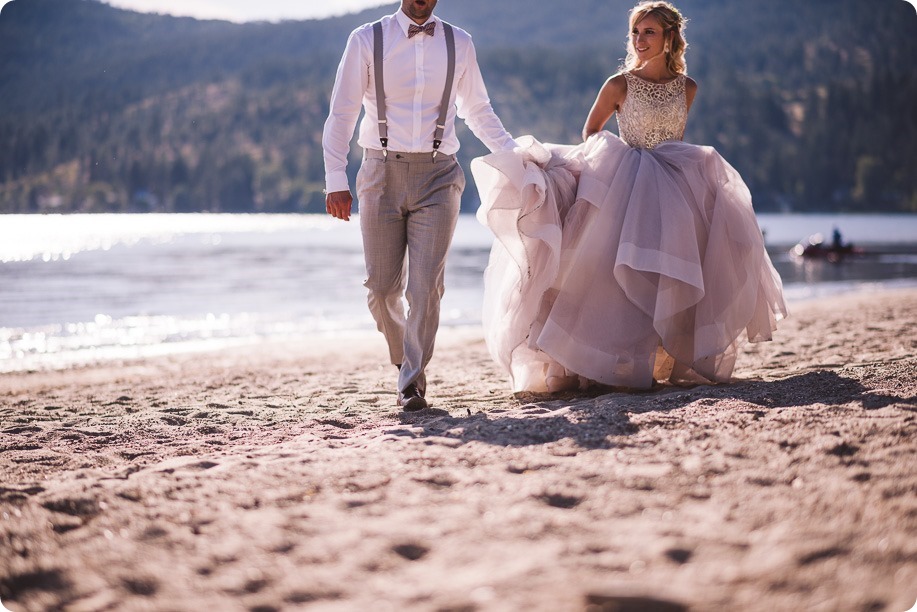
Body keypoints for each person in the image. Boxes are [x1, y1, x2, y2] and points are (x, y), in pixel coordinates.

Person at [472, 1, 787, 392]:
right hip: (626, 178)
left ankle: (655, 357)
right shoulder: (618, 84)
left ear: (670, 38)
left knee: (666, 271)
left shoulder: (688, 88)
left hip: (674, 183)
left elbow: (675, 138)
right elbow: (592, 133)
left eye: (649, 32)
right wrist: (612, 165)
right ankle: (601, 364)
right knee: (608, 275)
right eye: (636, 32)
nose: (640, 40)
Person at [322, 0, 518, 411]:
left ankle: (412, 381)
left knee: (426, 287)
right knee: (380, 289)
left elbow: (477, 110)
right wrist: (335, 179)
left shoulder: (459, 42)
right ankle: (402, 356)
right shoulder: (365, 39)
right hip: (379, 173)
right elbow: (342, 112)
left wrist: (513, 158)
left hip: (439, 175)